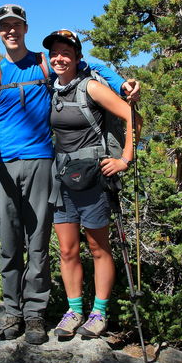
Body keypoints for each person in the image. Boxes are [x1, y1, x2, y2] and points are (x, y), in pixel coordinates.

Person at [0, 4, 139, 345]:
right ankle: (12, 312)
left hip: (43, 163)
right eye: (4, 26)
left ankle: (35, 314)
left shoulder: (44, 62)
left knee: (38, 244)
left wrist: (121, 83)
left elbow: (91, 66)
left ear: (25, 28)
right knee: (10, 245)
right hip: (4, 166)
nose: (11, 31)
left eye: (16, 25)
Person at [42, 29, 142, 339]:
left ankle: (99, 313)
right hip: (62, 179)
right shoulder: (50, 89)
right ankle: (74, 311)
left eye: (66, 53)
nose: (59, 58)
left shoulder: (92, 88)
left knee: (99, 249)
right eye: (55, 53)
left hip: (95, 180)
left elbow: (132, 118)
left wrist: (125, 159)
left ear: (77, 58)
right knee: (68, 251)